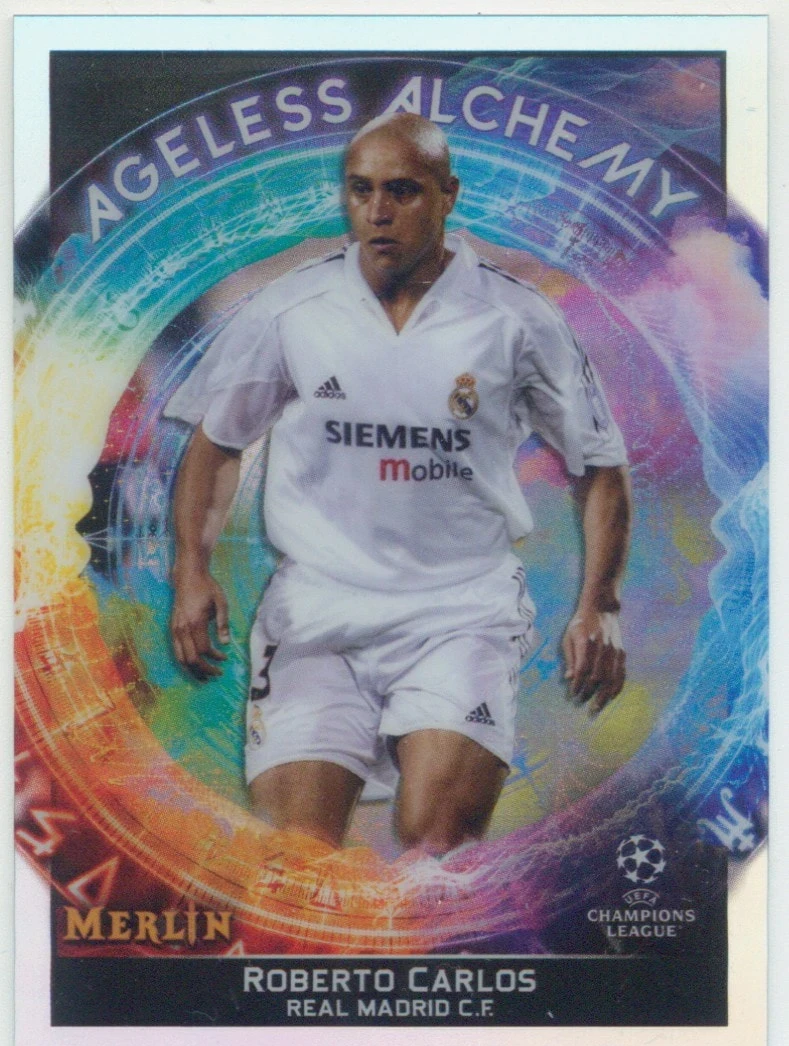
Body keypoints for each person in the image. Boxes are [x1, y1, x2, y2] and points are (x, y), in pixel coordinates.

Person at [165, 113, 632, 854]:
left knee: (434, 846)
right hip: (314, 617)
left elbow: (599, 467)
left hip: (461, 614)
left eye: (403, 191)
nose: (378, 211)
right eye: (361, 190)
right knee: (300, 859)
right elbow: (217, 443)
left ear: (449, 195)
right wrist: (191, 570)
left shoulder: (517, 318)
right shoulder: (290, 308)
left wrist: (599, 603)